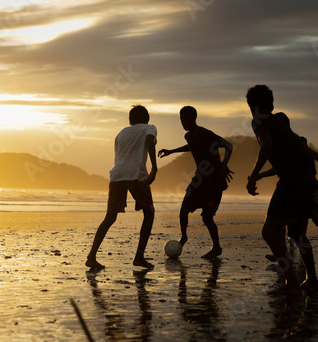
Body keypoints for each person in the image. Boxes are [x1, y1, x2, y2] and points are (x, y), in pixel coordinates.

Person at [246, 85, 318, 294]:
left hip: (291, 182)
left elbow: (267, 144)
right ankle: (313, 280)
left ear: (252, 106)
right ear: (271, 104)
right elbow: (307, 151)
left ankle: (291, 284)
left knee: (269, 232)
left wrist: (253, 176)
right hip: (308, 182)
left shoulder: (259, 120)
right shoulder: (284, 126)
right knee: (297, 234)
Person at [257, 112, 318, 249]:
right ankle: (283, 252)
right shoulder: (281, 144)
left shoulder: (296, 141)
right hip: (292, 188)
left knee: (317, 220)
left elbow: (314, 155)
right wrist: (260, 175)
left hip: (307, 187)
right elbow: (279, 168)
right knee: (286, 223)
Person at [86, 105, 158, 269]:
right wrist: (154, 168)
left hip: (117, 175)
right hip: (137, 175)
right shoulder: (150, 128)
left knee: (110, 217)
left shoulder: (121, 133)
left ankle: (91, 256)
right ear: (147, 119)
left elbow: (120, 156)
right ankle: (139, 256)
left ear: (130, 120)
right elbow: (149, 140)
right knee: (149, 212)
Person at [158, 106, 233, 259]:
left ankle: (216, 248)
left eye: (185, 119)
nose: (183, 122)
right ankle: (184, 237)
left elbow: (228, 146)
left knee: (207, 217)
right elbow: (191, 146)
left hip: (213, 182)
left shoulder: (206, 134)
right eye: (181, 119)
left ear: (194, 118)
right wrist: (171, 151)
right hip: (199, 179)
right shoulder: (189, 136)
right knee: (184, 209)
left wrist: (224, 164)